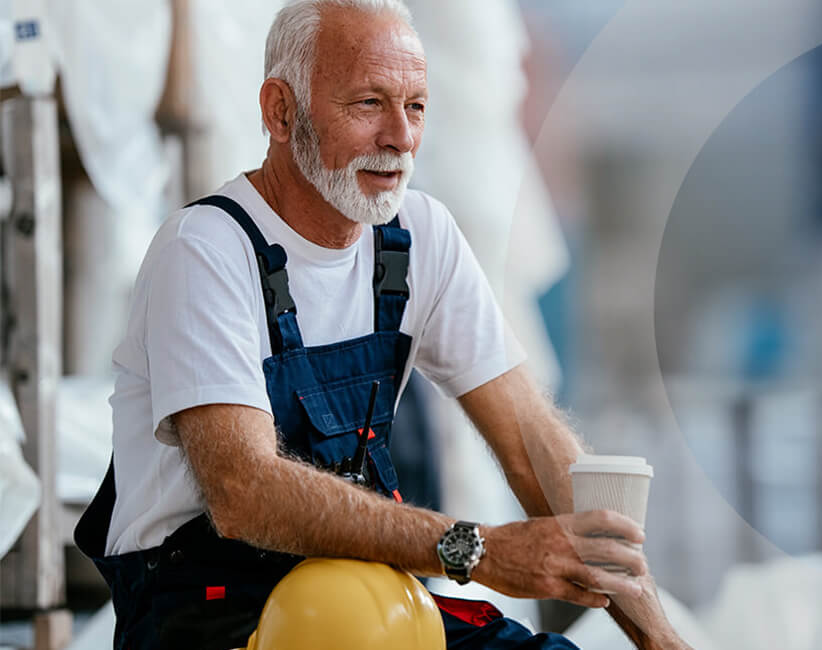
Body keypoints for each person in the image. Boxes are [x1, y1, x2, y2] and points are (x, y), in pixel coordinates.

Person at [75, 1, 691, 648]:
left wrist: (657, 637)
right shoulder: (204, 250)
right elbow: (244, 490)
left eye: (416, 106)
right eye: (369, 103)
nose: (400, 136)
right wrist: (476, 550)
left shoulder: (419, 237)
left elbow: (532, 445)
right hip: (208, 618)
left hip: (362, 603)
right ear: (280, 111)